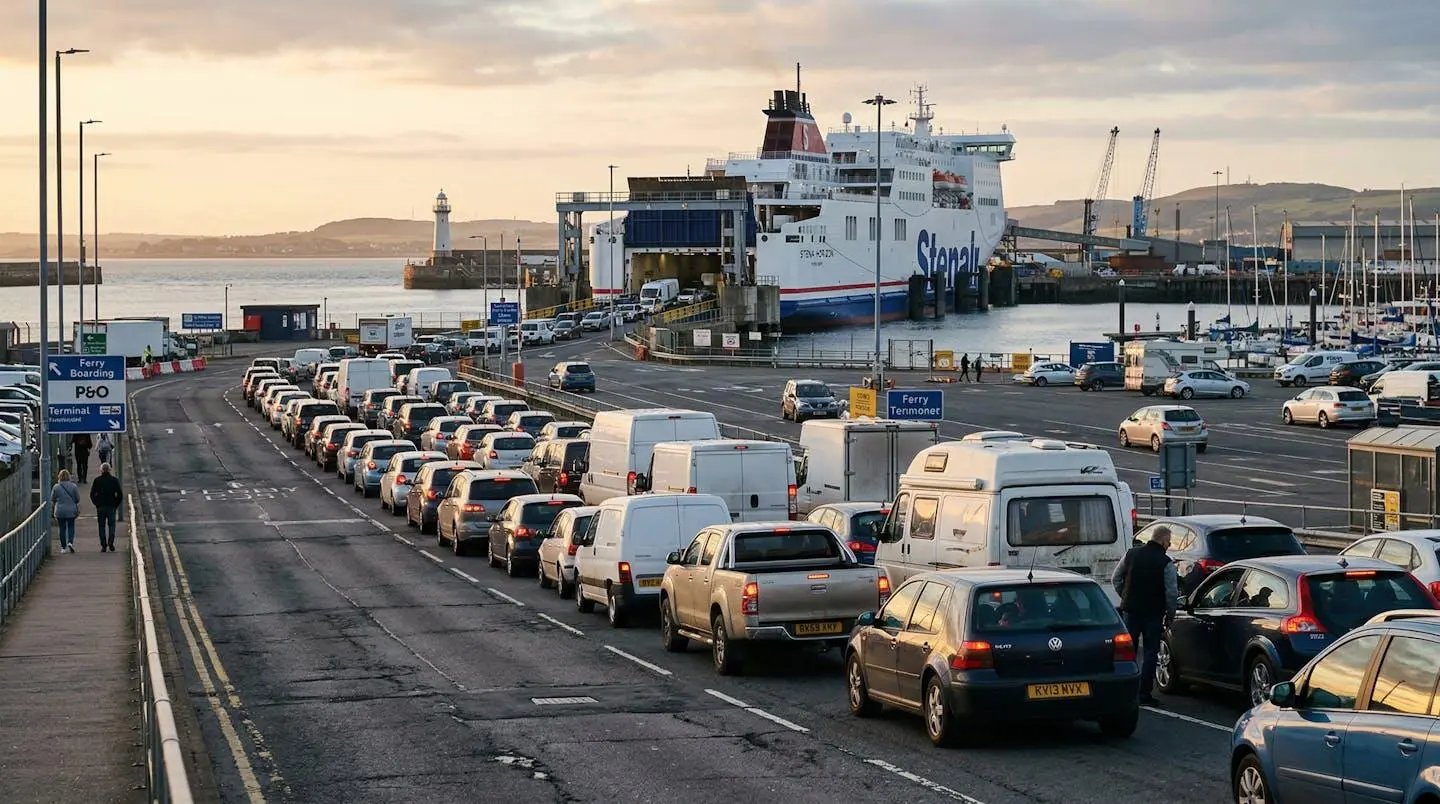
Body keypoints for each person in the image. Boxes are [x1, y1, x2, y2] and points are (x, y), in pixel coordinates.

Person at [1112, 526, 1179, 706]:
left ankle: (1126, 689)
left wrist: (1126, 597)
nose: (1169, 545)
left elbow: (1116, 578)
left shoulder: (1131, 554)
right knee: (1150, 652)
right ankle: (1144, 693)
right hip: (1153, 613)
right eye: (1169, 542)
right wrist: (1170, 614)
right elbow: (1172, 593)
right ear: (1164, 541)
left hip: (1130, 611)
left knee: (1128, 651)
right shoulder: (1166, 563)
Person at [89, 462, 123, 552]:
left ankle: (103, 545)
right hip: (111, 506)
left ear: (101, 470)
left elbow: (92, 494)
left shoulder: (97, 480)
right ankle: (111, 541)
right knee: (112, 525)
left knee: (101, 526)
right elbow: (120, 494)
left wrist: (96, 503)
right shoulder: (114, 480)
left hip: (101, 506)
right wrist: (116, 504)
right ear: (109, 470)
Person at [50, 469, 82, 554]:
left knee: (62, 528)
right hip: (71, 510)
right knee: (71, 526)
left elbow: (52, 498)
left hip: (60, 510)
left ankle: (63, 547)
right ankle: (70, 542)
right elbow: (77, 499)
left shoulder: (56, 487)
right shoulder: (73, 486)